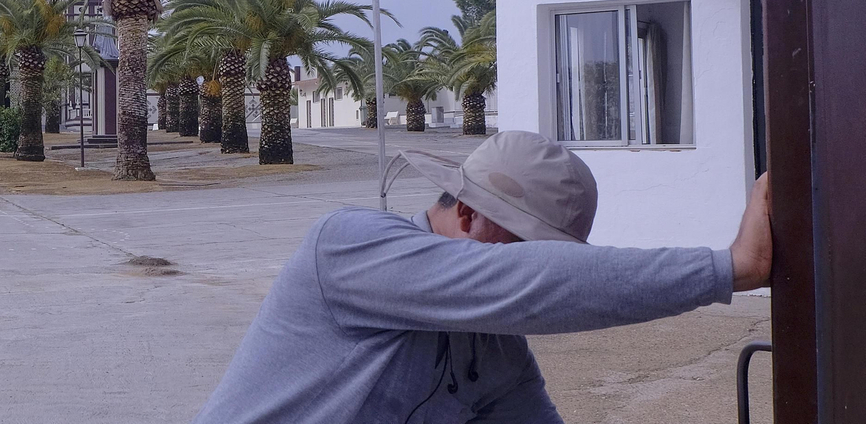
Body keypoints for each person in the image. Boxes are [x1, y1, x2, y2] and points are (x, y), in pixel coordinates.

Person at [192, 130, 772, 423]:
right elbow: (538, 285)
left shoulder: (494, 347)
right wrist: (730, 268)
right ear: (467, 213)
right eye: (523, 250)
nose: (529, 270)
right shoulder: (349, 246)